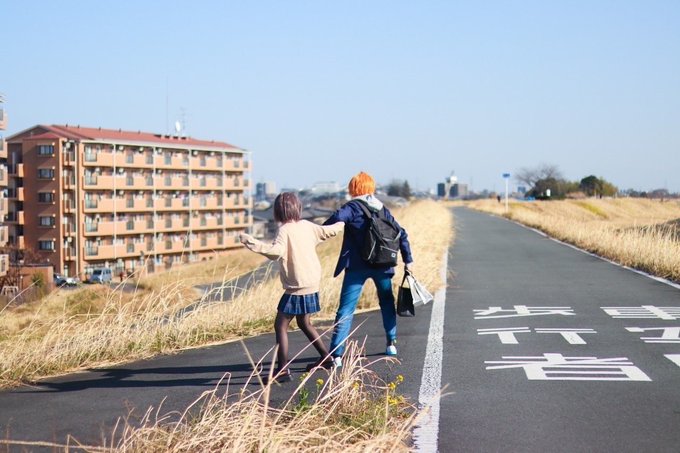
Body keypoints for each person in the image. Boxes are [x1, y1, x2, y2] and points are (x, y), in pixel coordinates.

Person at [239, 192, 344, 383]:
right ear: (297, 208)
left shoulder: (285, 230)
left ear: (278, 211)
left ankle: (282, 370)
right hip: (312, 283)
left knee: (280, 325)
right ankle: (326, 358)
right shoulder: (307, 226)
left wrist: (251, 242)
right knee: (304, 322)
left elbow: (275, 252)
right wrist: (343, 221)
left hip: (297, 286)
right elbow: (328, 231)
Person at [323, 172, 414, 367]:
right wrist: (408, 259)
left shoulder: (352, 207)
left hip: (356, 267)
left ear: (353, 188)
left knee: (346, 310)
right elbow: (401, 233)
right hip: (383, 265)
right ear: (371, 187)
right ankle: (391, 343)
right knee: (387, 303)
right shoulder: (382, 208)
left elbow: (335, 220)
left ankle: (337, 354)